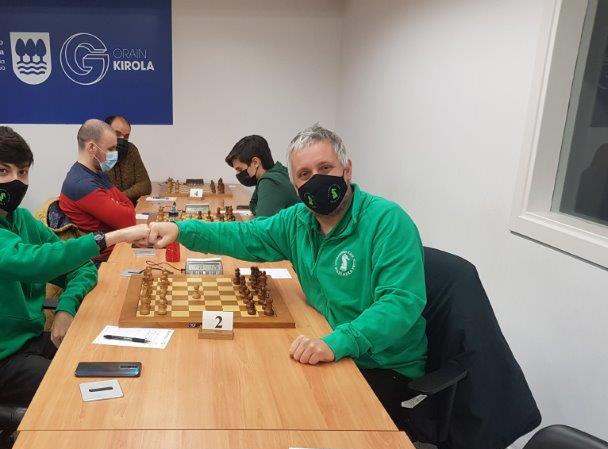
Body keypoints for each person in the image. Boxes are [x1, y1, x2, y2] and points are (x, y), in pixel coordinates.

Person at [148, 124, 427, 411]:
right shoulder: (298, 220)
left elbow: (400, 303)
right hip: (327, 340)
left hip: (382, 364)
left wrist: (336, 343)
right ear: (295, 185)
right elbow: (245, 236)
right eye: (304, 174)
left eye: (325, 168)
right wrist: (180, 229)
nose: (316, 179)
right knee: (243, 391)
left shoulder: (387, 221)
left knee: (288, 409)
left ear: (347, 170)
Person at [0, 126, 149, 405]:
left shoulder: (21, 219)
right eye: (2, 171)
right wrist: (107, 238)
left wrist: (66, 308)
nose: (15, 180)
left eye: (22, 172)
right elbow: (29, 263)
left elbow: (81, 267)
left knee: (113, 361)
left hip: (28, 340)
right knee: (85, 395)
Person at [58, 119, 137, 261]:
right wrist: (121, 205)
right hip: (101, 260)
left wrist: (123, 206)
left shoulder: (97, 173)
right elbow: (129, 219)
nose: (115, 154)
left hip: (117, 247)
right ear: (91, 148)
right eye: (111, 149)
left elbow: (128, 207)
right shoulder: (82, 184)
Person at [225, 134, 299, 218]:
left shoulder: (271, 182)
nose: (238, 174)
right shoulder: (277, 172)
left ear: (255, 162)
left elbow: (261, 224)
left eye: (240, 169)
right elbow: (254, 205)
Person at [103, 115, 152, 205]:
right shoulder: (98, 155)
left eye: (126, 136)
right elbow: (100, 196)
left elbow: (145, 185)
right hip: (107, 209)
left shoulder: (131, 150)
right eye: (117, 134)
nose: (122, 139)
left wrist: (121, 197)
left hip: (129, 207)